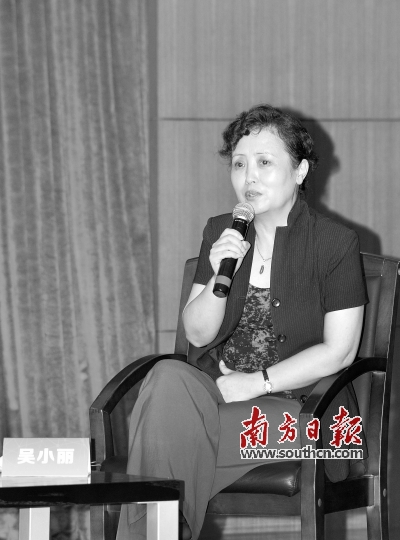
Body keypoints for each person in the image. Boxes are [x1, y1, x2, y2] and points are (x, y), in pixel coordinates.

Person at [116, 104, 368, 540]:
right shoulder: (221, 231)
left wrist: (257, 383)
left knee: (164, 444)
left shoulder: (334, 243)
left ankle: (156, 529)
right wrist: (219, 273)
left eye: (265, 162)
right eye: (239, 164)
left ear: (301, 170)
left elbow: (340, 351)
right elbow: (198, 334)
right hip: (218, 395)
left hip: (305, 409)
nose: (249, 177)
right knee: (166, 378)